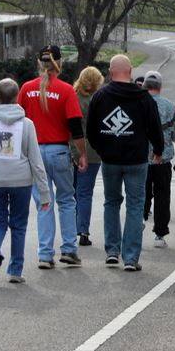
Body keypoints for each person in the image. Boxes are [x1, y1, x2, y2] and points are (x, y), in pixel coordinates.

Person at [0, 78, 51, 284]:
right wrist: (44, 193)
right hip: (20, 180)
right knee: (19, 224)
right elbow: (36, 160)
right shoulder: (27, 124)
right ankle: (15, 269)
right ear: (16, 97)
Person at [86, 55, 163, 271]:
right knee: (135, 205)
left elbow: (90, 130)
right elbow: (154, 127)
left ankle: (112, 251)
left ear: (110, 73)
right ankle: (130, 257)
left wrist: (102, 149)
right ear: (130, 72)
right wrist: (157, 150)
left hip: (110, 159)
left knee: (111, 202)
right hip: (136, 159)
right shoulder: (143, 97)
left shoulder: (100, 96)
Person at [19, 45, 88, 269]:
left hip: (35, 152)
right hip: (59, 151)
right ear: (60, 63)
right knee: (67, 201)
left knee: (44, 204)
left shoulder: (26, 89)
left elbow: (18, 121)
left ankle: (45, 254)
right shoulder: (66, 90)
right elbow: (75, 127)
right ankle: (68, 249)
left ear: (39, 63)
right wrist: (81, 154)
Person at [142, 71, 175, 248]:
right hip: (162, 159)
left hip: (140, 158)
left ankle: (138, 224)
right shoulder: (169, 106)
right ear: (160, 87)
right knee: (162, 197)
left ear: (144, 85)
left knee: (139, 195)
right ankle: (159, 234)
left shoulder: (137, 103)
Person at [73, 66, 104, 247]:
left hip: (70, 146)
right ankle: (83, 230)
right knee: (85, 192)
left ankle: (71, 227)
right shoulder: (97, 101)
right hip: (91, 150)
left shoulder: (72, 96)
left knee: (71, 192)